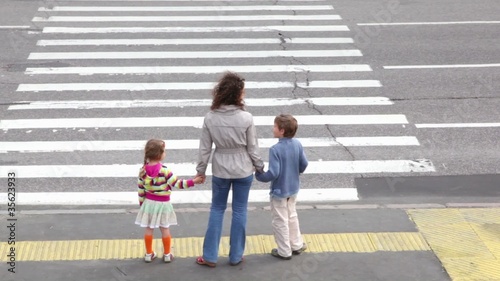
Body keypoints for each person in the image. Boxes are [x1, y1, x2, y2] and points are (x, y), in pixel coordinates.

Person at [195, 72, 264, 267]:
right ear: (237, 94)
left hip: (221, 169)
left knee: (217, 209)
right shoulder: (246, 117)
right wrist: (259, 167)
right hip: (243, 169)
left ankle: (209, 256)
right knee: (240, 210)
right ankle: (236, 256)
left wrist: (201, 170)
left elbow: (205, 148)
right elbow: (253, 148)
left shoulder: (210, 117)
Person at [135, 139, 203, 263]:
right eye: (164, 151)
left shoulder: (142, 170)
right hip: (163, 204)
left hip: (149, 203)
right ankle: (167, 254)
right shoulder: (165, 171)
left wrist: (142, 204)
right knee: (165, 228)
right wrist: (193, 181)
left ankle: (149, 254)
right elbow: (177, 184)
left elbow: (140, 189)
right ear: (159, 154)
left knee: (149, 229)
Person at [255, 114, 308, 260]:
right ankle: (296, 244)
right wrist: (295, 172)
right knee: (292, 216)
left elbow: (273, 172)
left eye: (275, 126)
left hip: (279, 191)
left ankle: (284, 251)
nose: (273, 129)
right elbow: (304, 164)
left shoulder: (275, 149)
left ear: (282, 130)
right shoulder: (297, 144)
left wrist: (259, 175)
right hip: (293, 188)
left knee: (280, 221)